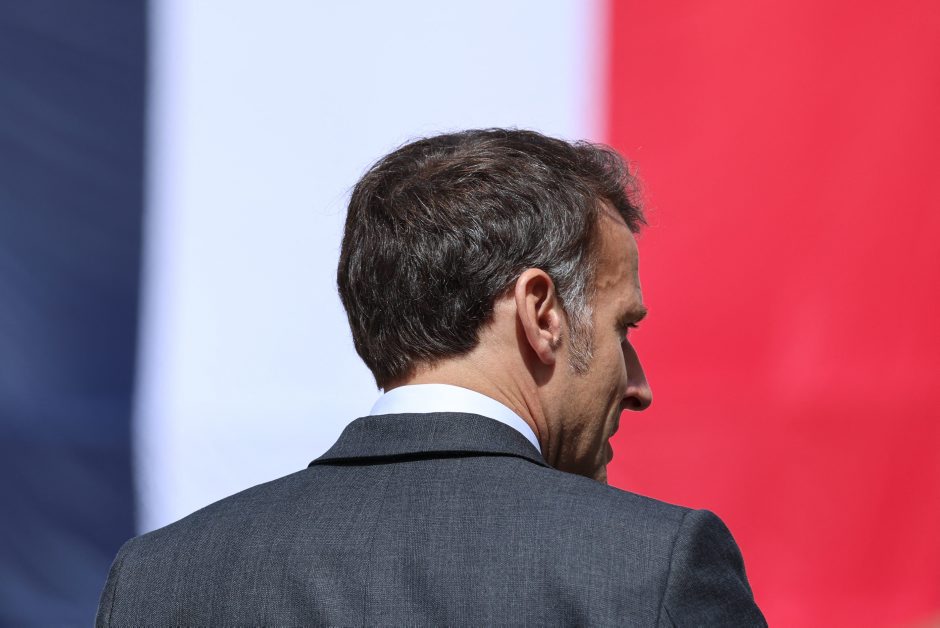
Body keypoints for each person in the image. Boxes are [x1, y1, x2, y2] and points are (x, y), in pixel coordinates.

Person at [96, 129, 766, 626]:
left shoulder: (159, 582)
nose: (638, 386)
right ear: (541, 313)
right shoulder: (651, 568)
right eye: (624, 329)